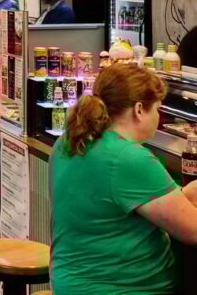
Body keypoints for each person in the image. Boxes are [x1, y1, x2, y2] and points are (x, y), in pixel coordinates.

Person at [51, 63, 197, 295]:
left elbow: (147, 200)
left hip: (70, 281)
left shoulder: (69, 140)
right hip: (123, 289)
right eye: (157, 109)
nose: (158, 117)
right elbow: (193, 230)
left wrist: (186, 194)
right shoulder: (128, 159)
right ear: (139, 109)